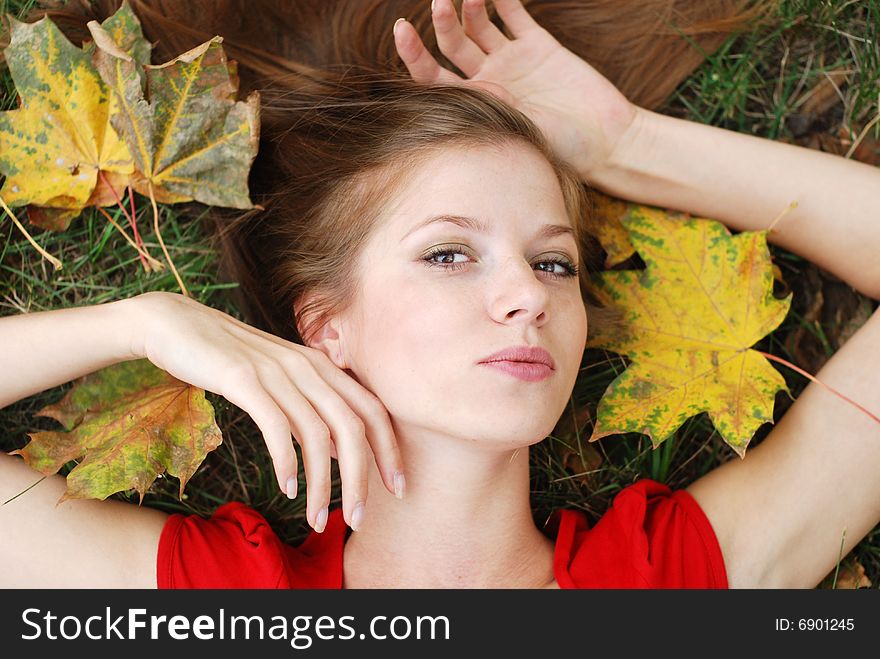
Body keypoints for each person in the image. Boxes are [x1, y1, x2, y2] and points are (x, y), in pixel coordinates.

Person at [1, 0, 878, 589]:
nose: (526, 297)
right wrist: (146, 322)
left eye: (555, 263)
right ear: (325, 325)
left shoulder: (664, 585)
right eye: (451, 254)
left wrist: (624, 145)